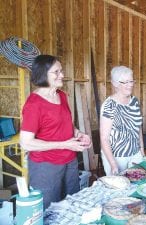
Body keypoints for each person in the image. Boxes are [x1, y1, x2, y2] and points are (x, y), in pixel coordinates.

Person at [20, 55, 92, 209]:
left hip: (70, 162)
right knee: (49, 210)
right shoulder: (34, 104)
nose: (62, 75)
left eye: (62, 71)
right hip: (45, 167)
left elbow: (67, 125)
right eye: (56, 72)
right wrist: (64, 144)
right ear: (42, 74)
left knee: (72, 204)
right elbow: (26, 143)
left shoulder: (62, 96)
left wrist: (78, 134)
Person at [100, 66, 145, 175]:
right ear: (115, 83)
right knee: (120, 190)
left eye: (131, 81)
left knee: (137, 185)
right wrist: (113, 164)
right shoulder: (109, 105)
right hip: (116, 157)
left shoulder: (135, 101)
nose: (130, 85)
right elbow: (104, 138)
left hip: (135, 154)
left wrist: (142, 149)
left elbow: (138, 127)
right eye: (125, 82)